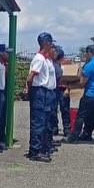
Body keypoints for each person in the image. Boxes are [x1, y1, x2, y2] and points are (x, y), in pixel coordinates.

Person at [26, 32, 56, 162]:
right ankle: (35, 151)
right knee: (38, 122)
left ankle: (41, 148)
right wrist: (30, 91)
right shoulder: (39, 58)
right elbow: (30, 78)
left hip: (45, 92)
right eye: (51, 43)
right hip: (39, 91)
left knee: (43, 122)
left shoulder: (44, 58)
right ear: (47, 43)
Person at [0, 44, 10, 149]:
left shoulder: (3, 65)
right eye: (6, 52)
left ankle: (0, 135)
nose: (8, 55)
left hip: (2, 91)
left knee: (2, 115)